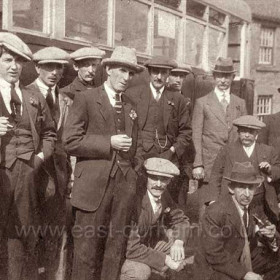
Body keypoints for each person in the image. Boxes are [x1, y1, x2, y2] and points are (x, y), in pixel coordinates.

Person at [63, 46, 144, 280]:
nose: (126, 78)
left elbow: (136, 145)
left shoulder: (130, 105)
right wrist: (109, 142)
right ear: (108, 69)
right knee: (86, 252)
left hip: (123, 189)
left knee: (115, 250)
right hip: (92, 190)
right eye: (122, 71)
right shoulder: (86, 98)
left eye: (130, 73)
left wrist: (132, 173)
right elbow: (70, 141)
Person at [0, 32, 56, 279]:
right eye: (7, 60)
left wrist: (40, 158)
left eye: (19, 62)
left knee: (21, 238)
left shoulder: (33, 97)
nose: (14, 67)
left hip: (26, 176)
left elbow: (50, 133)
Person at [26, 46, 72, 280]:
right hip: (33, 176)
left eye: (59, 68)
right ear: (37, 68)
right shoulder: (25, 94)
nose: (54, 72)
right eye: (48, 67)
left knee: (56, 236)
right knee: (31, 235)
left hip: (59, 178)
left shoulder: (64, 100)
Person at [195, 161, 280, 280]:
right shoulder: (215, 211)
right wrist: (244, 274)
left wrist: (271, 236)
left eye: (250, 188)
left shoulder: (253, 208)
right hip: (216, 267)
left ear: (256, 189)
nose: (247, 194)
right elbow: (214, 255)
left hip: (242, 259)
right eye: (241, 187)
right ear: (231, 188)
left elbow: (257, 241)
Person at [120, 157, 190, 280]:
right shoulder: (136, 201)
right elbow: (132, 249)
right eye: (154, 178)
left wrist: (179, 242)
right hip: (127, 253)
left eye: (164, 179)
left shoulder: (163, 195)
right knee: (140, 272)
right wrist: (165, 260)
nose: (158, 184)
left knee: (178, 252)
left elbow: (180, 219)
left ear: (169, 181)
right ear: (146, 177)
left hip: (147, 246)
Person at [192, 57, 247, 208]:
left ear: (232, 78)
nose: (223, 80)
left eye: (227, 76)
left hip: (233, 165)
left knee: (230, 209)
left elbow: (244, 136)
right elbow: (196, 135)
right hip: (209, 166)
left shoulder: (239, 103)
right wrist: (198, 164)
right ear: (214, 77)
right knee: (207, 208)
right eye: (220, 76)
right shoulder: (202, 102)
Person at [209, 115, 280, 225]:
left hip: (260, 205)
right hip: (232, 202)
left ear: (257, 133)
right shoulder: (227, 150)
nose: (246, 135)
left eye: (251, 132)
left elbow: (278, 170)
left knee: (261, 234)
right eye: (243, 131)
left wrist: (270, 169)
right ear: (238, 132)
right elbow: (215, 176)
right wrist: (213, 201)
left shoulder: (268, 151)